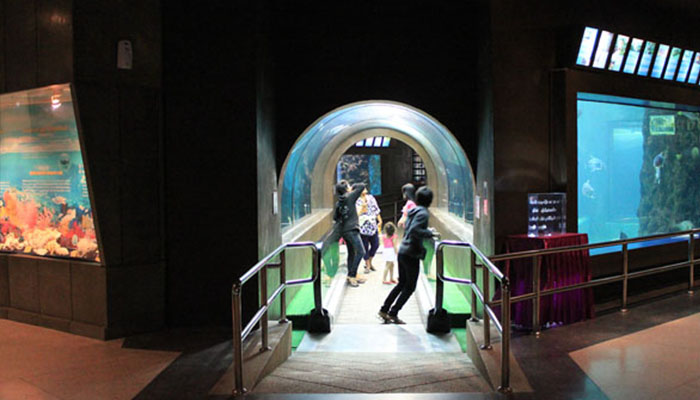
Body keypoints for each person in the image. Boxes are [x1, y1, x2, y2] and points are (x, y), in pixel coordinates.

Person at [379, 186, 438, 324]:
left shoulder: (413, 211)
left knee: (401, 284)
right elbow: (415, 230)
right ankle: (393, 313)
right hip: (411, 253)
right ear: (430, 200)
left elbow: (410, 228)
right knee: (410, 287)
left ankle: (384, 309)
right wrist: (430, 233)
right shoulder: (423, 213)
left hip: (403, 250)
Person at [321, 180, 366, 287]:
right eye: (348, 186)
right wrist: (351, 188)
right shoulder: (350, 196)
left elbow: (336, 217)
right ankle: (352, 275)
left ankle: (349, 274)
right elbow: (361, 186)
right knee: (361, 252)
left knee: (352, 252)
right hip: (352, 230)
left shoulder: (339, 202)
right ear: (346, 188)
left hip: (344, 231)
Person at [356, 187, 382, 273]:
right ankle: (367, 264)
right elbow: (356, 214)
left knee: (376, 244)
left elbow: (376, 209)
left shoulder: (371, 198)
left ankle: (370, 261)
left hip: (372, 224)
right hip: (363, 226)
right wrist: (362, 208)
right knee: (365, 246)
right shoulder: (356, 200)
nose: (365, 189)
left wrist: (380, 220)